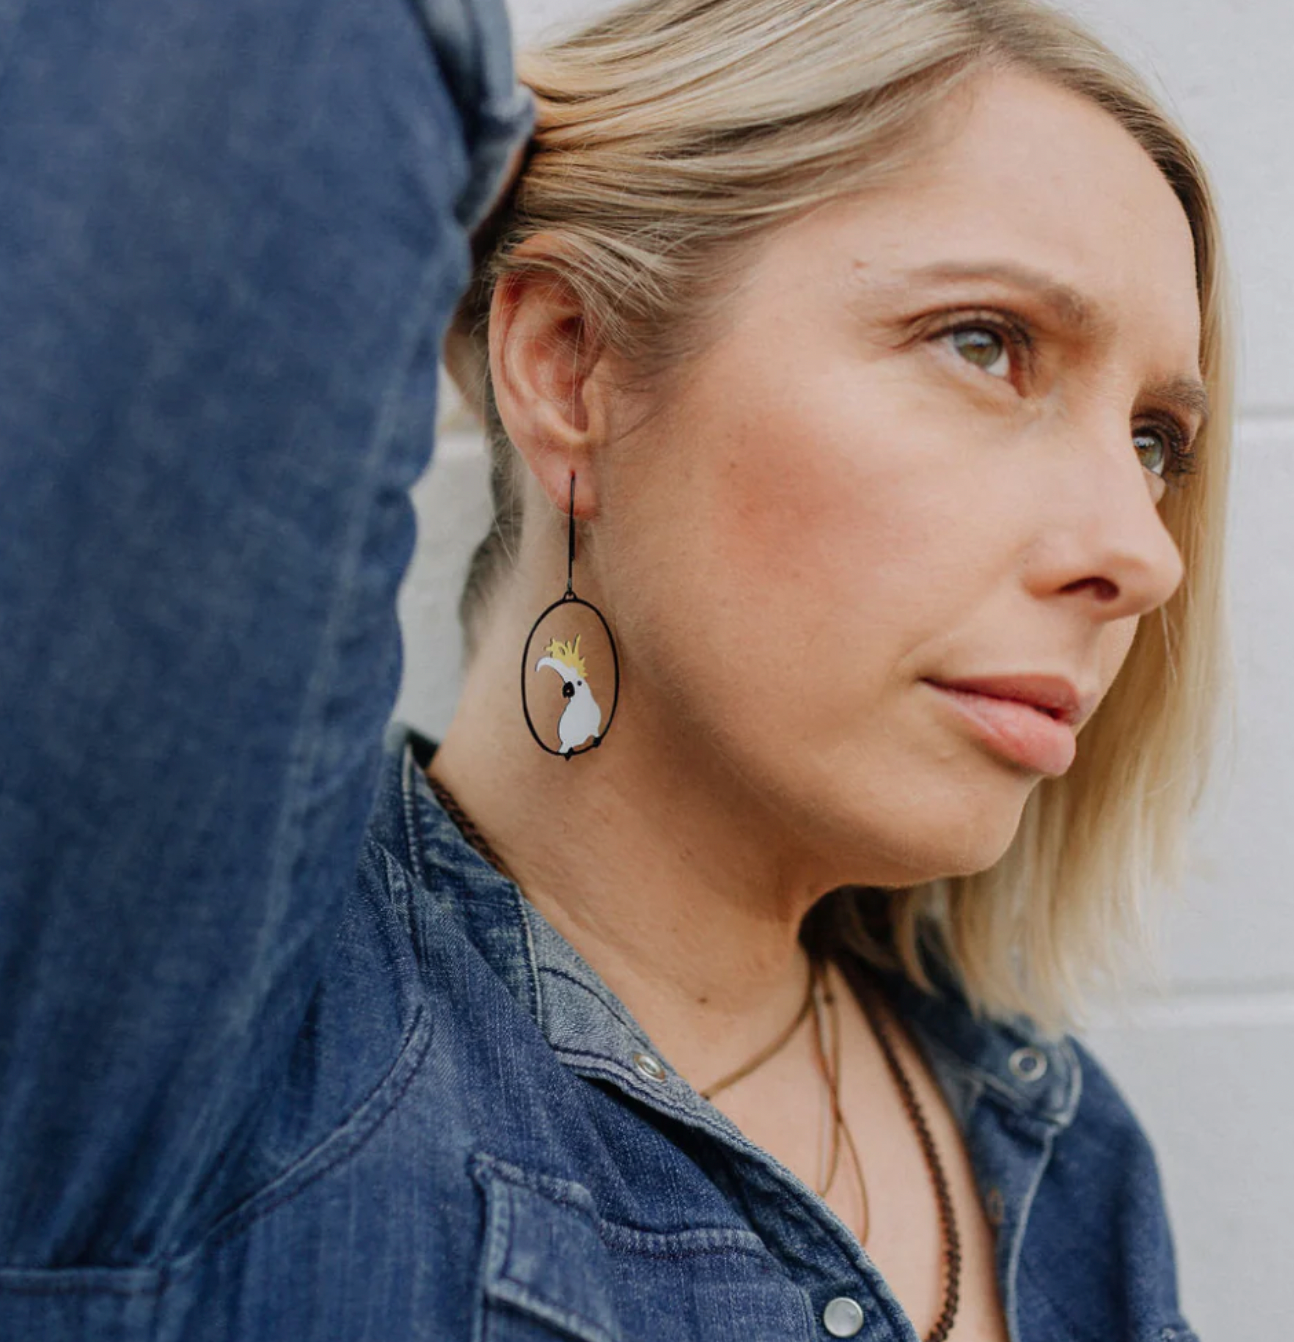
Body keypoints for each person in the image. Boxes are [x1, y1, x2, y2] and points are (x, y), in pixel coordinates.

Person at [0, 0, 1231, 1339]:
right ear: (568, 368)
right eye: (984, 342)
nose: (1140, 551)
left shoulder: (1071, 1157)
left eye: (1157, 436)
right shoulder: (202, 1052)